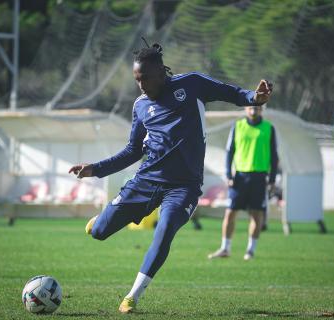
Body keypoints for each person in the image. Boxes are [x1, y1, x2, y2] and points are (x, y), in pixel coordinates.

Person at [69, 41, 272, 313]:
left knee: (164, 231)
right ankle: (102, 220)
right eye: (137, 80)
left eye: (146, 79)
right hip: (146, 181)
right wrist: (95, 169)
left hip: (184, 187)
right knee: (99, 233)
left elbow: (230, 92)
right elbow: (132, 150)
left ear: (161, 73)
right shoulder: (140, 106)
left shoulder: (192, 85)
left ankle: (132, 296)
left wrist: (254, 98)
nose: (141, 85)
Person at [208, 104, 278, 261]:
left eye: (257, 108)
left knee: (256, 214)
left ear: (262, 110)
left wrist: (272, 179)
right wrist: (228, 174)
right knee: (230, 212)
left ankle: (250, 250)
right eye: (251, 108)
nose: (254, 111)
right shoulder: (237, 126)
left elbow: (274, 155)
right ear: (246, 109)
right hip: (239, 177)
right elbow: (229, 151)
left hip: (259, 177)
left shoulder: (268, 128)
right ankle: (225, 248)